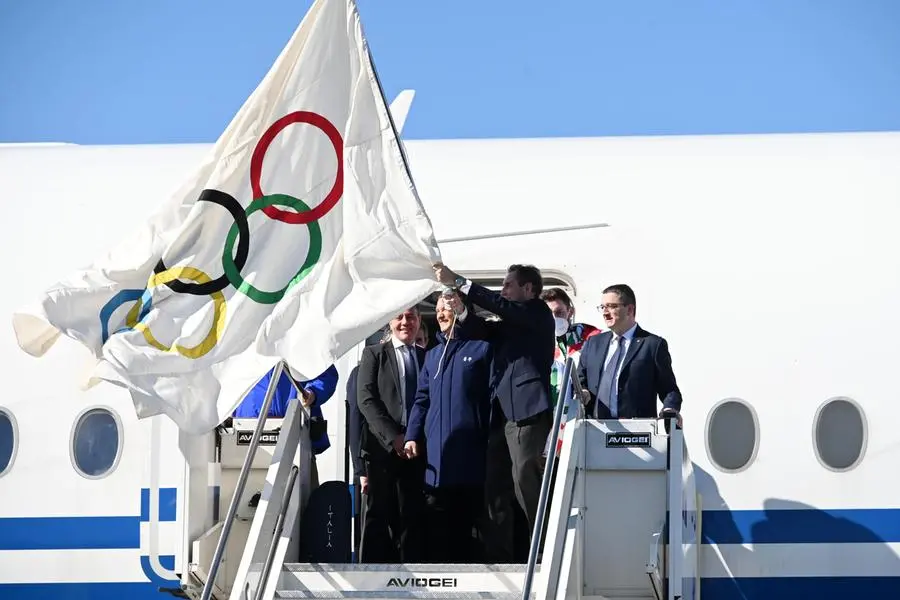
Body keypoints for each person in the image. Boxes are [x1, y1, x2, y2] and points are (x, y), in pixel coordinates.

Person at [434, 263, 555, 563]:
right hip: (501, 414)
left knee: (524, 479)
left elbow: (502, 307)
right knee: (496, 486)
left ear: (528, 289)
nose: (503, 291)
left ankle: (543, 550)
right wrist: (462, 311)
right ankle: (500, 557)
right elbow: (481, 329)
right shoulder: (511, 323)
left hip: (527, 411)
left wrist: (461, 282)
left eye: (508, 285)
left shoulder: (537, 313)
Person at [404, 291, 493, 563]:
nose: (442, 314)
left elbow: (492, 396)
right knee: (438, 523)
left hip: (471, 454)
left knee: (470, 523)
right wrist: (412, 436)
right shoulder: (432, 355)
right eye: (440, 310)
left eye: (448, 308)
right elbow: (421, 400)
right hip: (437, 456)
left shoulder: (481, 347)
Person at [356, 306, 427, 563]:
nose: (405, 322)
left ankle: (412, 576)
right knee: (378, 515)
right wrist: (393, 437)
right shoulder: (373, 354)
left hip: (417, 450)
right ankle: (369, 579)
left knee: (412, 516)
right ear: (390, 321)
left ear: (419, 321)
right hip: (382, 449)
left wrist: (413, 438)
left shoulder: (427, 357)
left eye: (411, 317)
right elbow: (366, 400)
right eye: (399, 317)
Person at [577, 284, 682, 425]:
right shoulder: (593, 343)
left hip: (636, 433)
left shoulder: (652, 345)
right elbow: (579, 378)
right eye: (602, 307)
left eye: (612, 306)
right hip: (594, 429)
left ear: (630, 309)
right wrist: (583, 390)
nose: (605, 312)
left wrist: (670, 409)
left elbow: (669, 389)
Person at [234, 363, 339, 488]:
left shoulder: (300, 344)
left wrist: (313, 392)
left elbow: (326, 372)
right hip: (244, 432)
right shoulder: (239, 347)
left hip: (299, 434)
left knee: (305, 496)